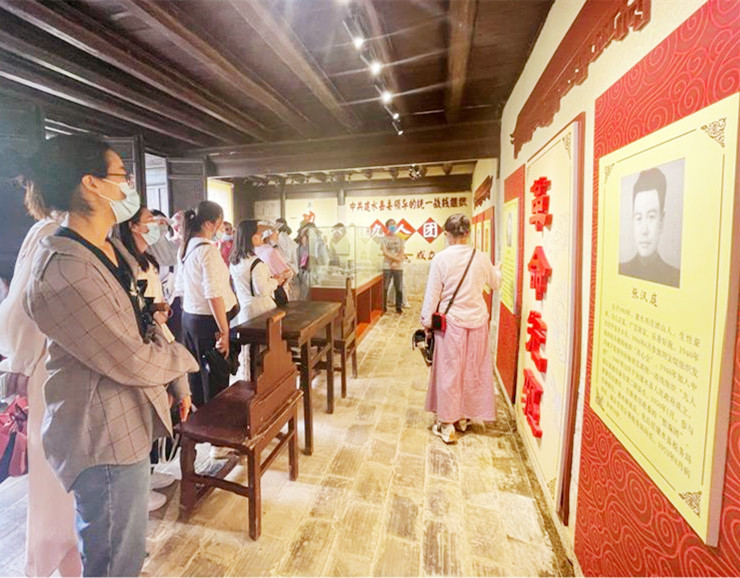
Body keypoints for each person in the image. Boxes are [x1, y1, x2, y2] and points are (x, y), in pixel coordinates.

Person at [21, 135, 199, 577]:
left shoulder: (109, 247)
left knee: (126, 549)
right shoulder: (64, 269)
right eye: (122, 175)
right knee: (114, 560)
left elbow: (144, 319)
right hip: (101, 435)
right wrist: (185, 362)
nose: (129, 186)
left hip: (127, 419)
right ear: (92, 183)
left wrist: (176, 381)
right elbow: (131, 358)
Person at [0, 199, 81, 576]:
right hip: (52, 368)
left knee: (72, 482)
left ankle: (73, 563)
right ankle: (43, 566)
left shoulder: (73, 232)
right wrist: (21, 363)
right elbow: (22, 309)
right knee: (53, 484)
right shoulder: (51, 232)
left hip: (71, 369)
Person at [116, 206, 193, 511]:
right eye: (150, 221)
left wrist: (158, 308)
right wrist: (153, 312)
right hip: (145, 342)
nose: (157, 226)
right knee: (143, 412)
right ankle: (138, 488)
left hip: (158, 333)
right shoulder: (123, 262)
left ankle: (148, 474)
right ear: (133, 226)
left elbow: (151, 296)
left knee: (159, 408)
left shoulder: (146, 258)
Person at [421, 213, 502, 444]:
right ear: (468, 233)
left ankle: (447, 423)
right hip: (477, 323)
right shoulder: (481, 257)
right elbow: (495, 284)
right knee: (472, 370)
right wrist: (497, 270)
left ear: (447, 234)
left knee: (450, 372)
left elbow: (433, 295)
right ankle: (464, 417)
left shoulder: (441, 259)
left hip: (451, 324)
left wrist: (427, 323)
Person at [176, 201, 238, 413]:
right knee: (215, 378)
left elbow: (181, 289)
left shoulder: (186, 247)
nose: (221, 228)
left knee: (196, 376)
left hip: (190, 319)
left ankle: (199, 418)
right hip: (209, 321)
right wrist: (224, 332)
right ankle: (215, 423)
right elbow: (213, 295)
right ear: (210, 224)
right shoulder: (207, 251)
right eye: (220, 223)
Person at [229, 220, 280, 379]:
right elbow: (262, 290)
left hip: (246, 310)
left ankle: (249, 378)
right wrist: (276, 281)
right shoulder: (256, 263)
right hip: (261, 310)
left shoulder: (234, 261)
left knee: (249, 350)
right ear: (250, 237)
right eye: (257, 234)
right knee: (265, 350)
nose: (260, 236)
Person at [619, 167, 680, 287]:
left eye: (651, 217)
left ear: (661, 221)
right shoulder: (620, 271)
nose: (644, 230)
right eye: (638, 218)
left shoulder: (675, 278)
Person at [255, 223, 293, 301]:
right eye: (275, 232)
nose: (277, 235)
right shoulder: (270, 252)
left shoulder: (255, 250)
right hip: (274, 292)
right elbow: (286, 273)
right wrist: (290, 272)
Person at [380, 218, 405, 314]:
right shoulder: (384, 239)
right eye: (390, 224)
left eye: (394, 224)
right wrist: (396, 259)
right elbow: (385, 252)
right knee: (385, 287)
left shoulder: (400, 238)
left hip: (398, 266)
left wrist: (397, 261)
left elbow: (402, 251)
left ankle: (398, 307)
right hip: (387, 266)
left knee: (399, 288)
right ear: (387, 227)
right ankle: (383, 307)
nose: (393, 226)